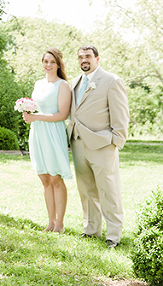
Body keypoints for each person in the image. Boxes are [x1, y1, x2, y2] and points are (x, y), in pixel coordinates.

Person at [68, 45, 130, 248]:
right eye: (80, 57)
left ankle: (114, 235)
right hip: (78, 142)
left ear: (97, 58)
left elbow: (121, 113)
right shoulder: (75, 82)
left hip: (103, 144)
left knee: (108, 189)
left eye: (87, 56)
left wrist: (116, 140)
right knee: (86, 189)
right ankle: (91, 229)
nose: (83, 60)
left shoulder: (111, 80)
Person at [21, 48, 72, 233]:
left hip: (53, 132)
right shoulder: (38, 84)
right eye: (45, 61)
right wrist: (28, 114)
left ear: (58, 64)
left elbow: (62, 114)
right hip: (38, 132)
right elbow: (36, 107)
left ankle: (60, 224)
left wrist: (36, 117)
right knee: (44, 177)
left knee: (55, 177)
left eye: (52, 62)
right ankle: (50, 222)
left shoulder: (63, 85)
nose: (48, 65)